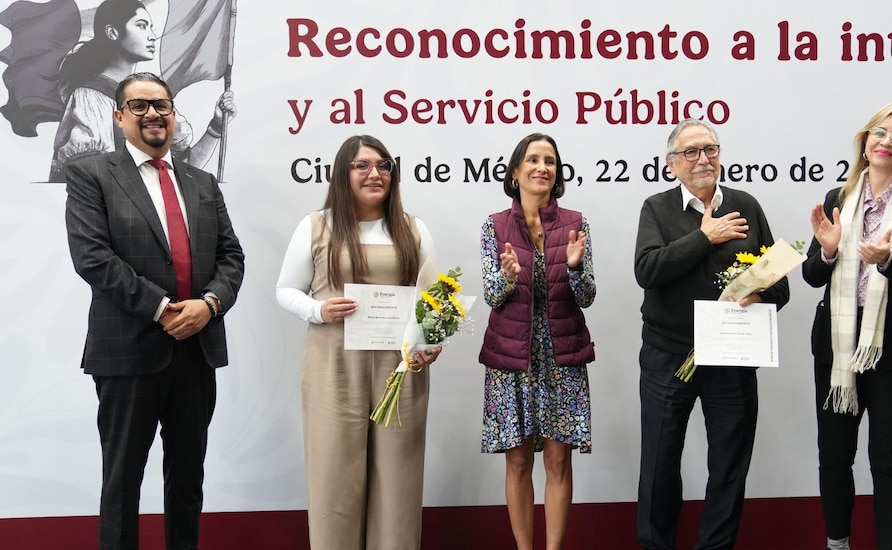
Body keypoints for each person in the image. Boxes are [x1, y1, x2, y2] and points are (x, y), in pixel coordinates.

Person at [64, 71, 245, 550]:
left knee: (187, 482)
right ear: (119, 116)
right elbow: (93, 258)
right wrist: (163, 310)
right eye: (139, 106)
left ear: (173, 113)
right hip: (128, 352)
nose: (152, 114)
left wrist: (210, 305)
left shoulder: (203, 182)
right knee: (122, 483)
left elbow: (231, 257)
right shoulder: (91, 174)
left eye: (161, 105)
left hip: (197, 352)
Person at [275, 135, 440, 550]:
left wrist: (430, 341)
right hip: (333, 367)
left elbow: (435, 300)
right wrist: (319, 309)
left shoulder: (413, 228)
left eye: (383, 166)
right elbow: (286, 289)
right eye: (362, 165)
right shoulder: (317, 225)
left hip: (399, 371)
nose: (374, 174)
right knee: (334, 482)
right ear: (342, 173)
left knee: (398, 482)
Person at [634, 118, 789, 549]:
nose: (702, 159)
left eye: (710, 149)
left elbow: (780, 285)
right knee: (660, 462)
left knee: (729, 466)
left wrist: (759, 294)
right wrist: (704, 237)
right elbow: (647, 270)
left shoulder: (745, 205)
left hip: (733, 357)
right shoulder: (656, 208)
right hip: (668, 357)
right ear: (671, 164)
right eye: (691, 152)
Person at [803, 102, 892, 550]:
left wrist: (888, 260)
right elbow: (811, 275)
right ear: (865, 143)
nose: (886, 141)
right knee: (834, 457)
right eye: (879, 133)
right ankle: (837, 544)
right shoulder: (838, 199)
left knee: (887, 460)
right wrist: (828, 251)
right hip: (838, 347)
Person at [479, 133, 596, 550]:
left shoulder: (576, 223)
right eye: (532, 159)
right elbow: (492, 295)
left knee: (559, 461)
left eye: (549, 160)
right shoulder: (495, 225)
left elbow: (587, 296)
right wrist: (508, 277)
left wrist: (576, 267)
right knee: (518, 462)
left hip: (562, 356)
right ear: (516, 171)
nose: (541, 167)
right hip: (512, 359)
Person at [49, 0, 235, 181]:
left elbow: (183, 173)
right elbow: (89, 180)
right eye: (141, 26)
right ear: (112, 32)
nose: (152, 36)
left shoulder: (152, 94)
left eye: (150, 27)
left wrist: (216, 126)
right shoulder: (91, 96)